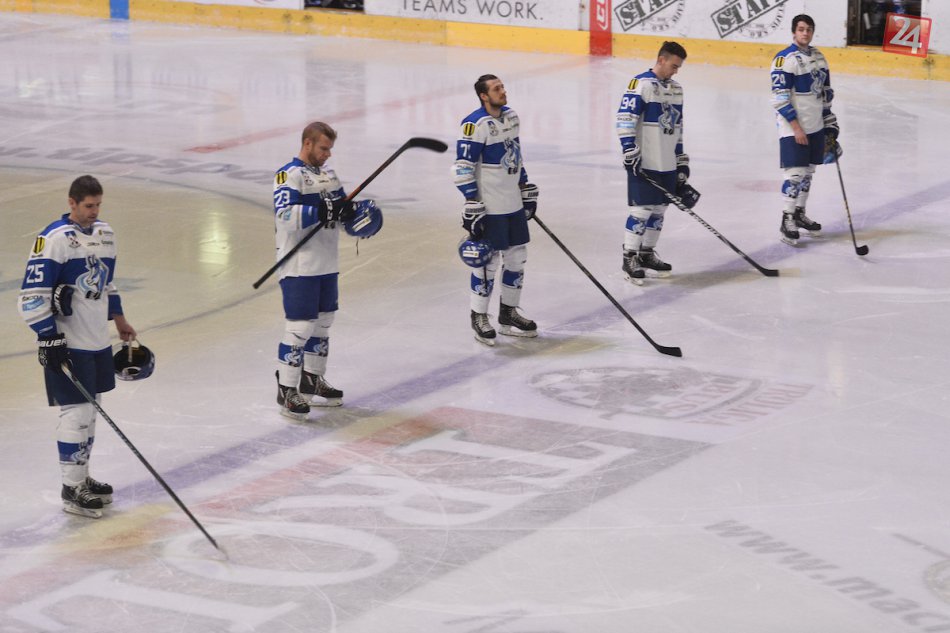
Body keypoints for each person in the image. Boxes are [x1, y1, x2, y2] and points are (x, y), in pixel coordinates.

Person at [17, 175, 137, 518]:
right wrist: (48, 335)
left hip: (97, 340)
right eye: (88, 206)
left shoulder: (106, 234)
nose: (94, 211)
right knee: (76, 413)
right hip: (69, 342)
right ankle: (71, 488)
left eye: (98, 205)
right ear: (72, 203)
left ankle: (82, 477)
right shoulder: (54, 239)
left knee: (91, 412)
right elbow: (31, 295)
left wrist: (120, 319)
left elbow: (107, 284)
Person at [272, 121, 381, 419]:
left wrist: (357, 216)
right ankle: (287, 389)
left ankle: (312, 379)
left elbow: (342, 211)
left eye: (330, 149)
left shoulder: (329, 175)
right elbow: (284, 215)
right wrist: (321, 210)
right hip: (299, 265)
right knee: (300, 328)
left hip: (327, 263)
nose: (328, 154)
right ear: (307, 143)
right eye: (323, 148)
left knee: (323, 323)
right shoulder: (289, 175)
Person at [453, 74, 539, 346]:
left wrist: (524, 186)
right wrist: (471, 201)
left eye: (502, 87)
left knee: (517, 258)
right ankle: (479, 316)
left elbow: (516, 155)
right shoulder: (474, 124)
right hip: (490, 207)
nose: (503, 91)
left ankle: (508, 312)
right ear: (483, 96)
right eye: (496, 89)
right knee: (487, 262)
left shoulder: (511, 117)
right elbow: (462, 167)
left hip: (512, 203)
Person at [615, 41, 690, 284]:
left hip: (667, 162)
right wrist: (629, 148)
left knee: (659, 210)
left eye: (678, 67)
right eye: (673, 66)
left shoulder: (676, 89)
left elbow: (678, 127)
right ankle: (629, 256)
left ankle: (646, 253)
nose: (675, 71)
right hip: (645, 160)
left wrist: (680, 159)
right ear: (661, 60)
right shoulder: (641, 84)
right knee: (641, 210)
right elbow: (625, 117)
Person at [770, 13, 839, 245]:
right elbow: (779, 99)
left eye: (809, 29)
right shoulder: (784, 59)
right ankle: (787, 218)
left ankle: (799, 213)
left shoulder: (819, 57)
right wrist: (796, 128)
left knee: (808, 172)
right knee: (795, 175)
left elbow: (825, 94)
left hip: (816, 125)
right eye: (801, 29)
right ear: (794, 32)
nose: (805, 33)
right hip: (793, 128)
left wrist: (830, 125)